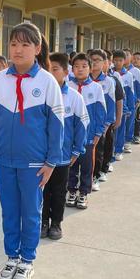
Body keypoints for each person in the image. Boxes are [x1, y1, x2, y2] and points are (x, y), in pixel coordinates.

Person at [0, 23, 64, 279]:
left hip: (34, 164)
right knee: (9, 212)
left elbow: (56, 125)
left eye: (25, 44)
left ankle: (27, 260)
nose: (18, 49)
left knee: (30, 213)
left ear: (38, 49)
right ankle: (12, 257)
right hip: (4, 161)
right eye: (14, 43)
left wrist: (52, 161)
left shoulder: (47, 81)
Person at [42, 53, 88, 240]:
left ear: (65, 72)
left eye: (55, 69)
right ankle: (43, 222)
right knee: (43, 191)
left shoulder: (75, 98)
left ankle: (56, 223)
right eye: (48, 69)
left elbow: (82, 125)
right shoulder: (41, 95)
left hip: (63, 156)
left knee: (59, 192)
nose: (51, 74)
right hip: (42, 156)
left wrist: (77, 150)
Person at [66, 53, 106, 209]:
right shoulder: (68, 86)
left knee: (87, 165)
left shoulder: (96, 88)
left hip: (89, 135)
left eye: (84, 66)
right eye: (76, 66)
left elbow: (100, 112)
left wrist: (98, 133)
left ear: (90, 68)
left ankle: (83, 192)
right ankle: (71, 190)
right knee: (71, 164)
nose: (80, 69)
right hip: (70, 135)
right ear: (71, 69)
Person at [89, 49, 115, 191]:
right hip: (84, 123)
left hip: (99, 124)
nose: (94, 62)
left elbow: (110, 104)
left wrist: (106, 125)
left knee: (98, 151)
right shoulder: (81, 80)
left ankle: (94, 176)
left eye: (98, 60)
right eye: (92, 59)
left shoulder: (108, 82)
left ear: (105, 63)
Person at [101, 50, 124, 176]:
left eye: (104, 61)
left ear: (108, 63)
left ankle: (105, 167)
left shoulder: (113, 79)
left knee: (107, 144)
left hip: (108, 120)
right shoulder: (84, 80)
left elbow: (119, 99)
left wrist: (118, 118)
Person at [110, 50, 135, 161]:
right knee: (112, 131)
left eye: (120, 60)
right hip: (111, 107)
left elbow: (130, 93)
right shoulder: (110, 74)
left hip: (122, 107)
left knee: (120, 129)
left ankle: (119, 150)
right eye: (115, 60)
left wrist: (130, 107)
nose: (118, 63)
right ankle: (112, 149)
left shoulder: (128, 75)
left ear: (124, 61)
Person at [124, 48, 140, 151]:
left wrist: (139, 99)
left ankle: (127, 142)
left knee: (130, 122)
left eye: (127, 55)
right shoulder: (115, 70)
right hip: (120, 101)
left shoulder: (135, 71)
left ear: (130, 57)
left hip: (132, 100)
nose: (125, 57)